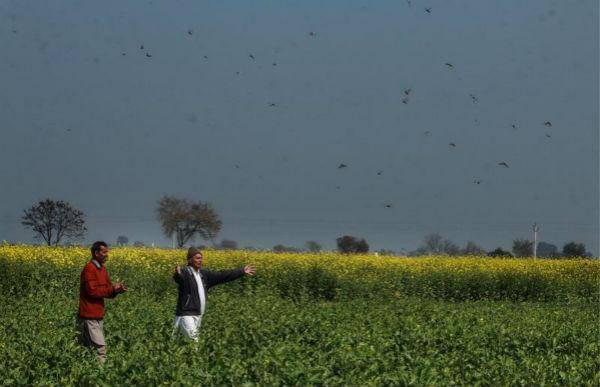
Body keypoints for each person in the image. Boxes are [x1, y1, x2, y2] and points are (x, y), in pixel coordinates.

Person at [172, 246, 256, 341]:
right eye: (197, 258)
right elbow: (179, 278)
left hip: (198, 314)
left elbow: (222, 275)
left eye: (201, 258)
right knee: (194, 342)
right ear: (190, 260)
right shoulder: (185, 272)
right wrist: (177, 274)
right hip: (186, 315)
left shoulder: (203, 275)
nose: (200, 260)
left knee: (181, 343)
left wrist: (241, 271)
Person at [77, 241, 128, 363]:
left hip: (98, 314)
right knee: (100, 348)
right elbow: (92, 291)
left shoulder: (102, 269)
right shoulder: (89, 269)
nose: (107, 254)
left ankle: (87, 371)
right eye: (104, 252)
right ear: (96, 253)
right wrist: (112, 289)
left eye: (107, 251)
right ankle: (103, 374)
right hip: (89, 315)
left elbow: (107, 290)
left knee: (88, 348)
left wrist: (116, 291)